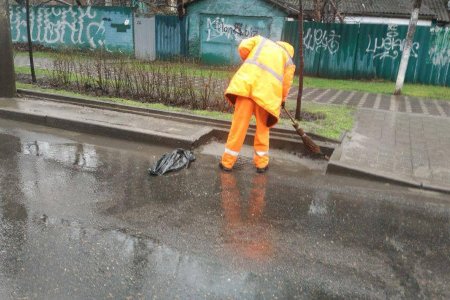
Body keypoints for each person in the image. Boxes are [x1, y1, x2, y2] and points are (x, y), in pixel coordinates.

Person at [220, 35, 296, 173]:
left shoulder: (261, 40)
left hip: (246, 89)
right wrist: (282, 100)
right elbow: (286, 85)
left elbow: (243, 47)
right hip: (266, 97)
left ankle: (227, 162)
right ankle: (261, 164)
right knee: (263, 129)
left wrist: (249, 61)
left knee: (238, 127)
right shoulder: (288, 61)